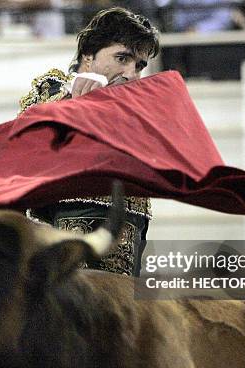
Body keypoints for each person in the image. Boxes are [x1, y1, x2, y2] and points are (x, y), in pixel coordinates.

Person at [18, 7, 160, 276]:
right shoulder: (55, 87)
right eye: (121, 58)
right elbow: (29, 129)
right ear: (88, 55)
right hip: (71, 218)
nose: (131, 73)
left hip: (133, 227)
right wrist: (73, 97)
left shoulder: (136, 109)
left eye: (139, 65)